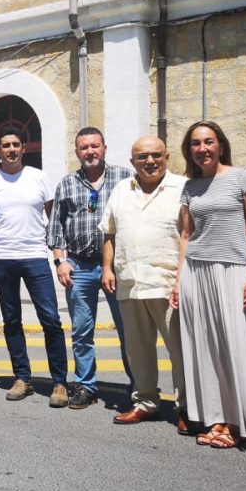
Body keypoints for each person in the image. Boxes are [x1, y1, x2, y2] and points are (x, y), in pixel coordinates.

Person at [171, 121, 246, 448]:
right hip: (196, 272)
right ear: (189, 149)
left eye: (208, 141)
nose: (202, 148)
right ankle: (216, 419)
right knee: (204, 349)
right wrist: (178, 281)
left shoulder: (243, 177)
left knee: (237, 347)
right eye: (195, 143)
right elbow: (186, 236)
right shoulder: (191, 187)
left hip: (233, 270)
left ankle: (238, 422)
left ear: (220, 144)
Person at [99, 135, 189, 433]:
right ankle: (145, 402)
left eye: (156, 155)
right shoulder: (122, 189)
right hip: (130, 282)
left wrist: (182, 280)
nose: (149, 161)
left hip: (167, 284)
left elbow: (191, 237)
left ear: (167, 156)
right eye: (142, 157)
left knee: (179, 350)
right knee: (137, 350)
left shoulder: (182, 188)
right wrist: (107, 268)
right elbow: (109, 232)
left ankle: (187, 408)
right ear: (132, 161)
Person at [0, 126, 70, 407]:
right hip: (1, 257)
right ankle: (23, 378)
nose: (11, 149)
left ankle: (59, 382)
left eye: (16, 144)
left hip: (34, 256)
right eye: (6, 145)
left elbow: (53, 220)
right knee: (11, 320)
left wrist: (59, 256)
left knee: (50, 319)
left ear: (23, 148)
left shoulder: (39, 177)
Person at [48, 127, 133, 409]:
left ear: (104, 148)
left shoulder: (125, 179)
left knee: (129, 330)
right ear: (77, 152)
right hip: (80, 267)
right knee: (82, 332)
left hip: (118, 267)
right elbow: (55, 227)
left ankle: (139, 386)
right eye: (84, 147)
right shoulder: (67, 183)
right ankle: (86, 386)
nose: (90, 152)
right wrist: (61, 262)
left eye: (94, 146)